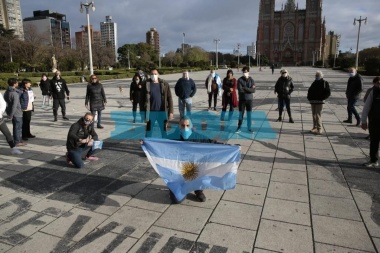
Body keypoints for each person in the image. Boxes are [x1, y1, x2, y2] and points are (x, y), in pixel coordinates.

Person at [166, 117, 221, 203]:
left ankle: (198, 190)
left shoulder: (197, 136)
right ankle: (173, 188)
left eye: (187, 125)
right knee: (176, 200)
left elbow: (212, 143)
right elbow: (159, 142)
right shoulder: (173, 137)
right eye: (183, 125)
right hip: (178, 171)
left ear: (191, 126)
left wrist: (231, 147)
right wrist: (145, 142)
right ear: (179, 126)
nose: (185, 128)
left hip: (193, 170)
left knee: (202, 167)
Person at [145, 68, 173, 138]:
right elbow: (142, 99)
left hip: (162, 112)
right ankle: (147, 147)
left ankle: (165, 146)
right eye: (152, 74)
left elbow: (169, 98)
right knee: (149, 131)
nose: (153, 75)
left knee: (164, 131)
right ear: (149, 75)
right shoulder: (146, 84)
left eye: (155, 74)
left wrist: (171, 112)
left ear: (158, 74)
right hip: (151, 113)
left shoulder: (164, 84)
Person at [360, 76, 380, 168]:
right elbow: (366, 106)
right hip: (375, 120)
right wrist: (363, 121)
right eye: (378, 82)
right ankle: (373, 160)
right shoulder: (374, 92)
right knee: (374, 141)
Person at [4, 78, 25, 147]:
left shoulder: (6, 92)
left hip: (11, 112)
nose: (18, 84)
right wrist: (11, 114)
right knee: (17, 128)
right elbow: (14, 105)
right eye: (17, 83)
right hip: (17, 113)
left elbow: (6, 104)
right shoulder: (14, 93)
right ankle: (17, 141)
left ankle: (18, 139)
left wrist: (9, 113)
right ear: (14, 84)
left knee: (16, 127)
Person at [236, 66, 256, 132]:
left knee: (249, 114)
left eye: (246, 72)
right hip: (242, 99)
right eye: (244, 72)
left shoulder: (252, 80)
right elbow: (240, 90)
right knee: (241, 114)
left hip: (249, 100)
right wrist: (248, 89)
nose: (245, 73)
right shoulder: (239, 80)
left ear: (248, 72)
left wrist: (245, 88)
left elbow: (253, 90)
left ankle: (249, 127)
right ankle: (239, 127)